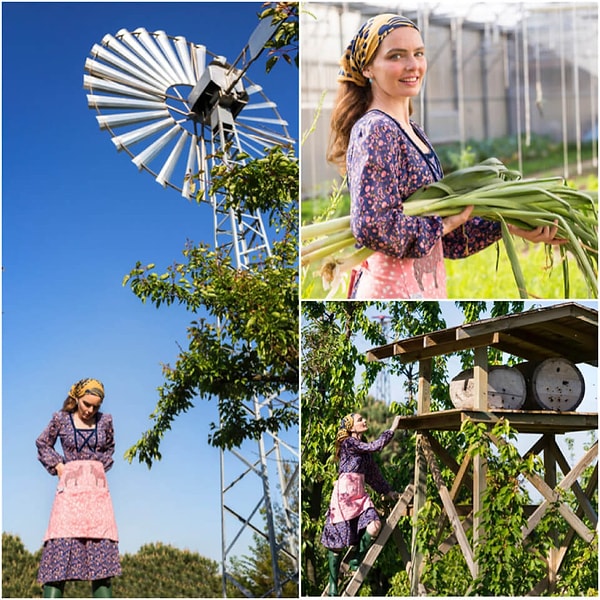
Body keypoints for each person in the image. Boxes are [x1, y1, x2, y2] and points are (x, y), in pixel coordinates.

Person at [327, 13, 565, 299]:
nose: (412, 65)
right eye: (396, 56)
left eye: (418, 53)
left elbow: (445, 241)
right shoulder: (376, 129)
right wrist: (441, 224)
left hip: (422, 291)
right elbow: (373, 225)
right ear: (368, 68)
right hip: (389, 294)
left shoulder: (413, 132)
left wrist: (508, 224)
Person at [36, 378, 121, 598]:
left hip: (96, 495)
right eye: (86, 404)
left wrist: (98, 466)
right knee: (58, 559)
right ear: (76, 399)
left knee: (101, 563)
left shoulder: (105, 422)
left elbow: (110, 448)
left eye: (96, 406)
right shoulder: (61, 419)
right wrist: (60, 466)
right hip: (69, 495)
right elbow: (43, 443)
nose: (90, 410)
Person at [321, 413, 401, 595]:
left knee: (375, 525)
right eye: (359, 420)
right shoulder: (349, 443)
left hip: (359, 494)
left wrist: (387, 491)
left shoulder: (364, 453)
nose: (364, 421)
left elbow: (373, 475)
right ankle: (333, 584)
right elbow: (376, 446)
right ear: (351, 428)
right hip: (345, 495)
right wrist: (392, 428)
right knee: (337, 543)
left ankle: (357, 556)